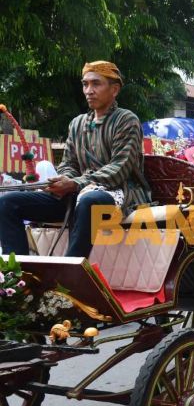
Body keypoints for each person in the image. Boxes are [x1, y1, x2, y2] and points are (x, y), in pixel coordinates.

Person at [0, 61, 150, 258]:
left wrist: (74, 183)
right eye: (85, 84)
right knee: (6, 202)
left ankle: (69, 278)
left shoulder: (126, 120)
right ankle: (18, 277)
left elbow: (118, 169)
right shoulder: (77, 124)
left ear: (114, 89)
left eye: (96, 84)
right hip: (76, 192)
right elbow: (69, 164)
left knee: (88, 200)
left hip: (119, 193)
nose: (89, 90)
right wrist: (61, 181)